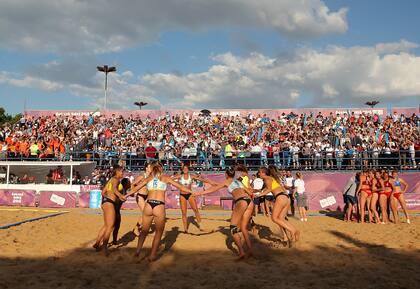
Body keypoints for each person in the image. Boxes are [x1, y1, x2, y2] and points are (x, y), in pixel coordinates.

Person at [133, 162, 193, 261]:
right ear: (161, 169)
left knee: (144, 231)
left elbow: (135, 187)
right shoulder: (165, 177)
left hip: (149, 204)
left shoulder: (149, 178)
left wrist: (125, 195)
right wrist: (193, 192)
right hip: (159, 205)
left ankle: (137, 251)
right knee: (158, 232)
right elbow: (181, 187)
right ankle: (152, 255)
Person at [194, 167, 255, 260]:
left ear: (226, 175)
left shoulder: (226, 182)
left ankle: (241, 252)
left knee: (233, 228)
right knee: (243, 227)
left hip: (241, 201)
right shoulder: (238, 182)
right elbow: (249, 192)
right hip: (249, 201)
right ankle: (250, 250)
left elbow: (213, 189)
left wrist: (199, 193)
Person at [258, 165, 300, 246]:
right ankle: (289, 235)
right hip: (285, 197)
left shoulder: (267, 178)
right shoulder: (273, 179)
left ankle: (293, 230)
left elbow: (269, 189)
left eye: (259, 172)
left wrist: (259, 195)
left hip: (280, 197)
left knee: (274, 218)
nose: (258, 174)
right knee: (281, 219)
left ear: (263, 173)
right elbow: (269, 188)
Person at [93, 165, 126, 256]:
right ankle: (104, 248)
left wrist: (107, 199)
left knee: (106, 225)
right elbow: (115, 189)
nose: (123, 173)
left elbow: (103, 192)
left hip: (106, 202)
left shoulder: (111, 180)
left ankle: (97, 243)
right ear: (117, 172)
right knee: (110, 226)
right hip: (110, 203)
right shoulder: (115, 179)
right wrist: (119, 196)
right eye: (122, 171)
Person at [172, 163, 209, 233]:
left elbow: (202, 180)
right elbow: (170, 179)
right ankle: (185, 228)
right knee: (183, 212)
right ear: (182, 170)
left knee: (195, 209)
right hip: (182, 195)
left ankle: (200, 225)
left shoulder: (191, 176)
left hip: (190, 194)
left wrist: (211, 182)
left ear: (188, 169)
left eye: (186, 168)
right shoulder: (180, 176)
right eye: (184, 169)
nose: (185, 169)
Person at [130, 163, 152, 236]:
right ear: (146, 168)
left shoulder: (151, 176)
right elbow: (133, 183)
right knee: (145, 213)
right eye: (149, 167)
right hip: (140, 196)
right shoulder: (142, 176)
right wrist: (133, 192)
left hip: (147, 196)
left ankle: (140, 227)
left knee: (147, 213)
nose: (151, 168)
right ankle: (136, 229)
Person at [112, 177, 131, 245]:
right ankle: (101, 242)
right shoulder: (120, 189)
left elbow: (132, 194)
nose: (130, 183)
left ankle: (114, 241)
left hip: (117, 210)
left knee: (117, 226)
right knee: (109, 227)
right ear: (125, 183)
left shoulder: (124, 190)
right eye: (129, 182)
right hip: (113, 209)